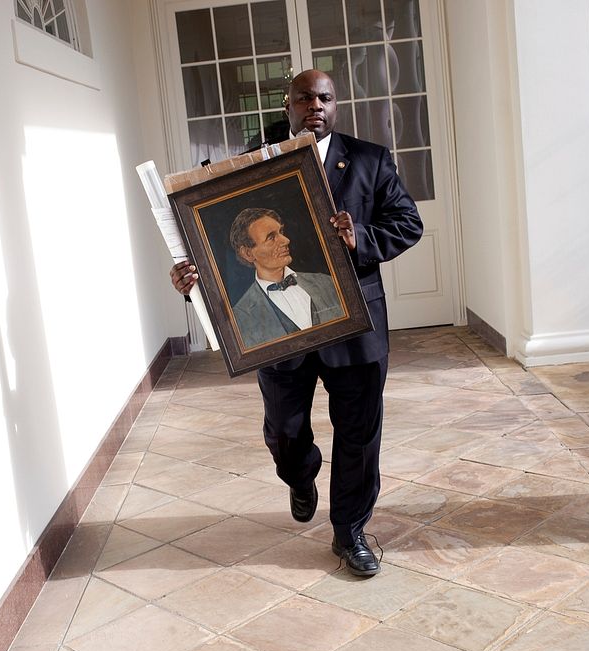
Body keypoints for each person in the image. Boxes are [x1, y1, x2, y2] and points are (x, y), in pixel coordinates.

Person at [170, 69, 423, 576]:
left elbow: (408, 224)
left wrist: (360, 239)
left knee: (359, 433)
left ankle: (349, 531)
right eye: (305, 97)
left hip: (356, 326)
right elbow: (221, 241)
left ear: (336, 103)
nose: (316, 105)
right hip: (279, 330)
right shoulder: (252, 166)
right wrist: (191, 277)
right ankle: (300, 476)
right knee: (284, 432)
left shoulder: (369, 160)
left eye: (326, 97)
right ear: (287, 104)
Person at [228, 207, 345, 349]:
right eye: (271, 237)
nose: (286, 240)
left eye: (281, 232)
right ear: (247, 253)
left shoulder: (327, 282)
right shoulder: (240, 316)